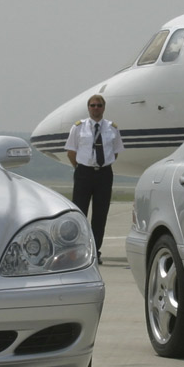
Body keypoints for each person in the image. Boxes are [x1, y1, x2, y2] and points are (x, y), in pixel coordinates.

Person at [64, 94, 123, 263]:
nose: (95, 108)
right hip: (84, 173)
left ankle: (95, 251)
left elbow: (115, 152)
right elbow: (71, 152)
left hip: (104, 174)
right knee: (79, 213)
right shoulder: (78, 128)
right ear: (88, 108)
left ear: (104, 108)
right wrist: (80, 168)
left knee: (100, 215)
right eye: (92, 105)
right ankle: (76, 251)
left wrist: (101, 165)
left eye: (99, 105)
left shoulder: (112, 128)